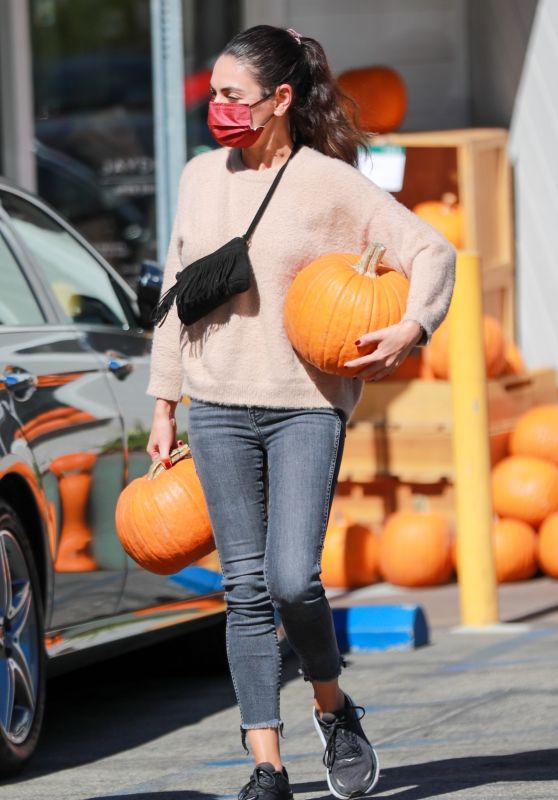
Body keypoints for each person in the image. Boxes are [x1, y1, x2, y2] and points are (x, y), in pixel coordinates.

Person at [146, 24, 456, 800]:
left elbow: (431, 251)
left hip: (303, 409)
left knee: (292, 580)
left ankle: (334, 706)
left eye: (231, 96)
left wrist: (413, 324)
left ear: (280, 100)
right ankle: (268, 765)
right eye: (213, 94)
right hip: (216, 404)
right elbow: (174, 299)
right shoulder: (198, 176)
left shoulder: (329, 183)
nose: (216, 108)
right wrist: (163, 403)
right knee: (243, 589)